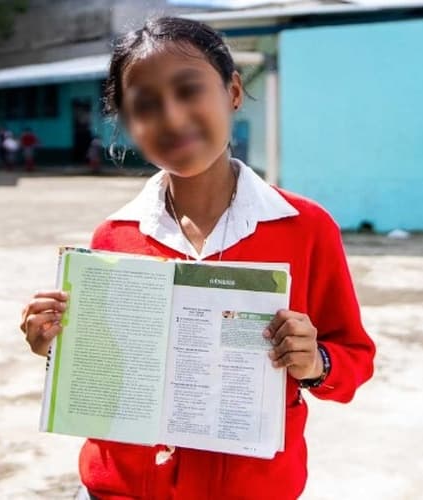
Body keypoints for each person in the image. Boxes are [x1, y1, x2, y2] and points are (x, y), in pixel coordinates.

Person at [19, 18, 375, 500]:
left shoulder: (305, 228)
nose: (171, 117)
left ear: (231, 91)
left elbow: (353, 358)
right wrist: (58, 348)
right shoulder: (115, 236)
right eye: (145, 106)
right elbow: (108, 367)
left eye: (189, 91)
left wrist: (315, 362)